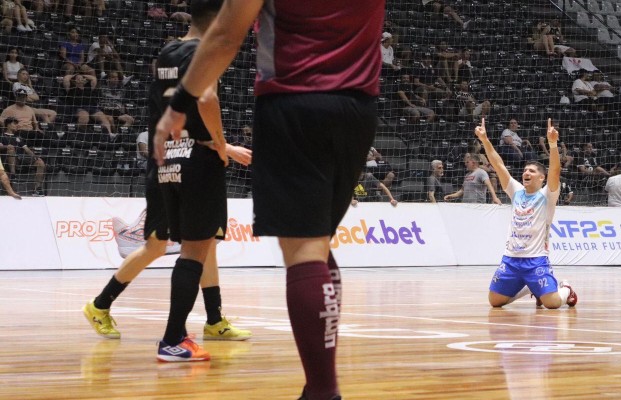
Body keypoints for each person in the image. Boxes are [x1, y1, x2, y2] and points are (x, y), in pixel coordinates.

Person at [154, 0, 384, 397]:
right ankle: (318, 389)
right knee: (318, 244)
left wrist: (178, 106)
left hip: (294, 101)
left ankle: (323, 392)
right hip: (359, 108)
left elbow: (226, 34)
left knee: (305, 251)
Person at [82, 0, 254, 361]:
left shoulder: (165, 53)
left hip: (167, 161)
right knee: (178, 246)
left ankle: (213, 319)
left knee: (198, 243)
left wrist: (220, 144)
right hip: (194, 161)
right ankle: (126, 315)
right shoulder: (203, 52)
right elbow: (205, 98)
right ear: (221, 20)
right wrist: (221, 145)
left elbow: (174, 111)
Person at [476, 117, 577, 309]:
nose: (526, 173)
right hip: (511, 258)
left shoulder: (547, 195)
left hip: (536, 260)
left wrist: (553, 144)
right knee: (495, 302)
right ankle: (531, 288)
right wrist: (485, 140)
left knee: (553, 304)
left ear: (541, 177)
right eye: (524, 170)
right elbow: (498, 165)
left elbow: (555, 170)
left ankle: (566, 289)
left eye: (531, 171)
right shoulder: (516, 191)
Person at [0, 117, 45, 195]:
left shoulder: (19, 138)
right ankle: (13, 175)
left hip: (21, 158)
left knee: (40, 162)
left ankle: (38, 189)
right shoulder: (2, 136)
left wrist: (35, 157)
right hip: (6, 160)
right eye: (14, 124)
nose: (17, 126)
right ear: (8, 125)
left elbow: (27, 150)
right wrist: (7, 146)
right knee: (11, 149)